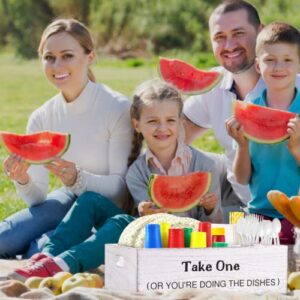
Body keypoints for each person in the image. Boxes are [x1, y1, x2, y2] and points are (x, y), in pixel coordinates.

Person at [0, 18, 133, 259]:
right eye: (49, 57)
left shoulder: (117, 108)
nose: (57, 65)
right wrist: (22, 180)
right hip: (67, 198)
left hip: (107, 209)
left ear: (90, 56)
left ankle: (44, 243)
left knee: (37, 251)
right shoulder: (41, 117)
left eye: (67, 55)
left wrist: (78, 178)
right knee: (4, 239)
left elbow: (119, 189)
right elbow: (38, 197)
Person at [183, 0, 265, 213]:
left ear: (261, 32)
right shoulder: (215, 83)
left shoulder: (290, 86)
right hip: (240, 203)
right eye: (219, 37)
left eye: (238, 33)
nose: (229, 46)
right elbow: (174, 136)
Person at [226, 22, 300, 244]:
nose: (279, 67)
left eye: (288, 60)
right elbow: (241, 177)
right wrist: (242, 145)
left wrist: (296, 149)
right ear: (258, 66)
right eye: (270, 60)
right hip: (258, 214)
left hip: (297, 217)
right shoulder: (248, 109)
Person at [126, 78, 224, 222]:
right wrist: (144, 212)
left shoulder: (205, 166)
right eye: (153, 121)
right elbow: (151, 222)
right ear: (137, 125)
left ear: (180, 122)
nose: (162, 128)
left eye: (170, 120)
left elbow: (216, 224)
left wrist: (210, 209)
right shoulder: (136, 173)